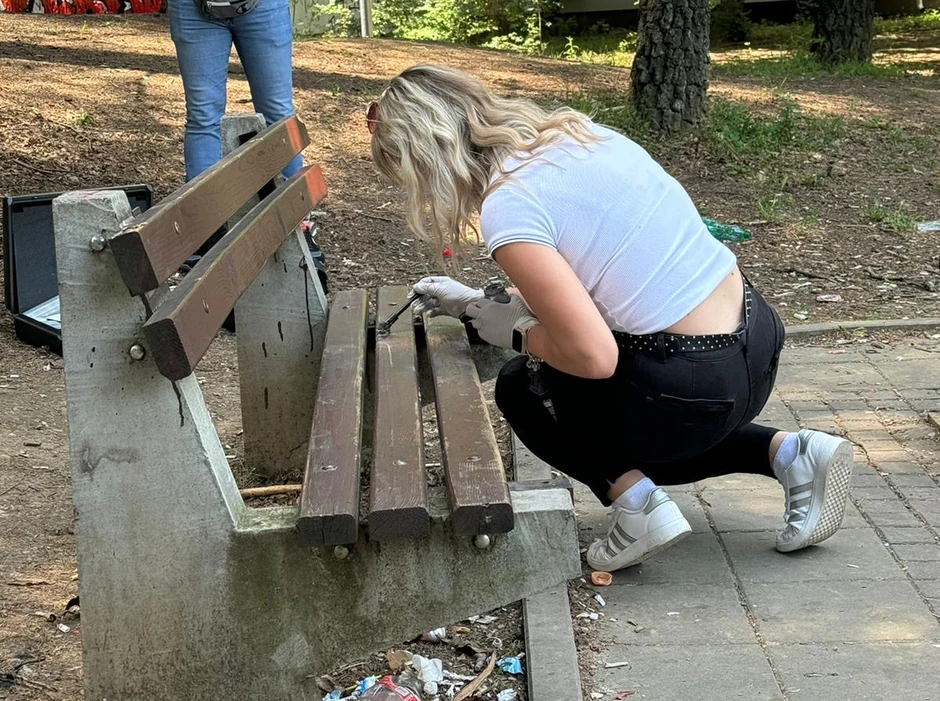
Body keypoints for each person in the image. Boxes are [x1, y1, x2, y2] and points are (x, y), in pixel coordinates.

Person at [366, 65, 854, 573]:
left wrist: (517, 332)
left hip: (692, 386)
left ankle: (638, 508)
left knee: (526, 389)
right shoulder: (583, 135)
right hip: (754, 340)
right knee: (627, 416)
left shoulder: (509, 207)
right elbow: (611, 268)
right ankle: (791, 453)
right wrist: (477, 300)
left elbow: (593, 356)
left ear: (428, 161)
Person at [167, 0, 302, 184]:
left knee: (278, 114)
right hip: (193, 9)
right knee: (203, 117)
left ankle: (295, 206)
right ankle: (204, 209)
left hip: (264, 7)